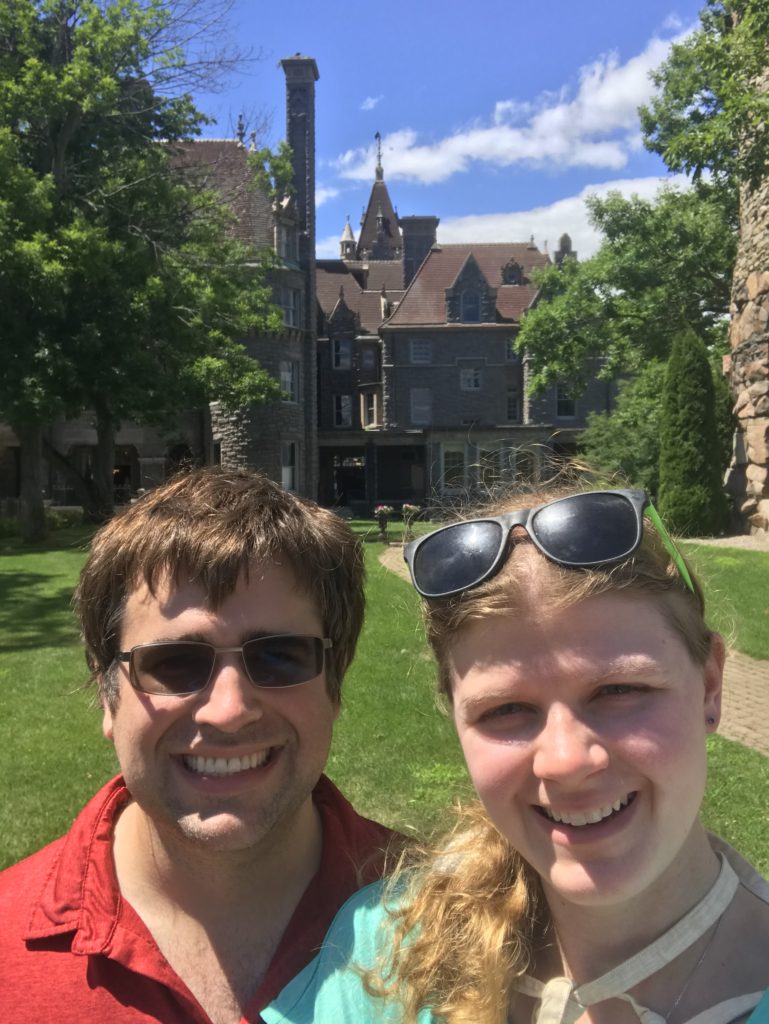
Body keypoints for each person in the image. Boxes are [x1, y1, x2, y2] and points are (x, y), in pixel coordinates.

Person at [263, 486, 769, 1024]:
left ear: (710, 687)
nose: (566, 761)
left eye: (619, 691)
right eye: (505, 710)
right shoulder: (388, 951)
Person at [0, 467, 398, 1024]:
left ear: (336, 680)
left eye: (279, 657)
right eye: (175, 663)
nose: (229, 710)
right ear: (108, 695)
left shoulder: (464, 926)